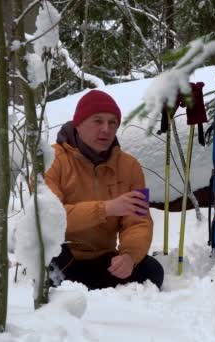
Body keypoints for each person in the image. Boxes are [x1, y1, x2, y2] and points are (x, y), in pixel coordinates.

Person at [45, 89, 164, 290]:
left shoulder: (129, 166)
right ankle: (70, 293)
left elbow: (138, 222)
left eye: (112, 123)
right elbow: (48, 218)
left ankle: (93, 293)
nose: (106, 129)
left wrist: (129, 256)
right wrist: (105, 209)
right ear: (79, 124)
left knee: (152, 272)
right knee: (51, 259)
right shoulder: (51, 160)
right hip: (62, 256)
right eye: (98, 121)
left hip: (101, 258)